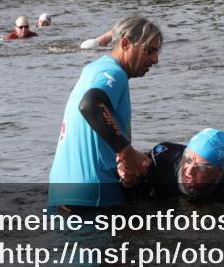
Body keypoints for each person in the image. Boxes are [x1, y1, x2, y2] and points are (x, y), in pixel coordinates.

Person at [48, 16, 162, 211]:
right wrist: (127, 152)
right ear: (126, 44)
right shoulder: (114, 73)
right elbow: (91, 104)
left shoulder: (94, 68)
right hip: (93, 195)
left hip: (61, 190)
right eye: (149, 51)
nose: (155, 60)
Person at [130, 128, 224, 204]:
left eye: (201, 167)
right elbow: (135, 195)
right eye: (188, 159)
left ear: (218, 172)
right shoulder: (163, 159)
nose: (189, 171)